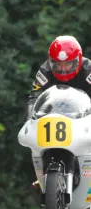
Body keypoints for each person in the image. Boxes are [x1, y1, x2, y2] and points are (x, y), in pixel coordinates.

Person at [26, 35, 91, 189]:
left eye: (68, 64)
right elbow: (33, 97)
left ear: (78, 60)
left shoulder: (88, 70)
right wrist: (31, 118)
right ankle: (42, 174)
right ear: (50, 61)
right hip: (54, 115)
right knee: (32, 138)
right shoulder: (45, 71)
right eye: (57, 64)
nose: (62, 69)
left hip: (83, 116)